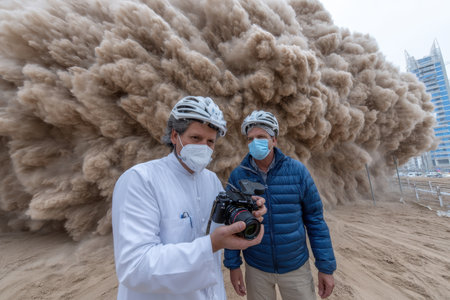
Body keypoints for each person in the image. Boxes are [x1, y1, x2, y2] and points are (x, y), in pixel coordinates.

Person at [112, 96, 267, 300]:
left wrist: (245, 219)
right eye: (196, 138)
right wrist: (211, 245)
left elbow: (217, 235)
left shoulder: (211, 181)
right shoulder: (140, 180)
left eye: (210, 141)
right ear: (175, 135)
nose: (204, 146)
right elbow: (135, 267)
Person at [224, 110, 336, 300]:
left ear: (274, 140)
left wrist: (325, 267)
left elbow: (315, 220)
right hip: (256, 267)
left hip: (295, 267)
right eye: (250, 139)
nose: (254, 142)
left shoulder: (298, 172)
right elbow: (231, 224)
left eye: (261, 137)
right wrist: (233, 266)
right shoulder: (238, 176)